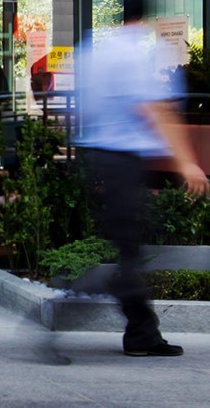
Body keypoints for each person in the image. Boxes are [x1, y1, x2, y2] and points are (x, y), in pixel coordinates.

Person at [74, 21, 209, 357]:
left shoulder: (92, 53)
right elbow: (156, 111)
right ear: (142, 23)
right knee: (130, 246)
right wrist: (186, 162)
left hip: (98, 157)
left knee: (128, 242)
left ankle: (140, 332)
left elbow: (85, 110)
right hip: (122, 161)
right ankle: (117, 304)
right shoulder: (132, 55)